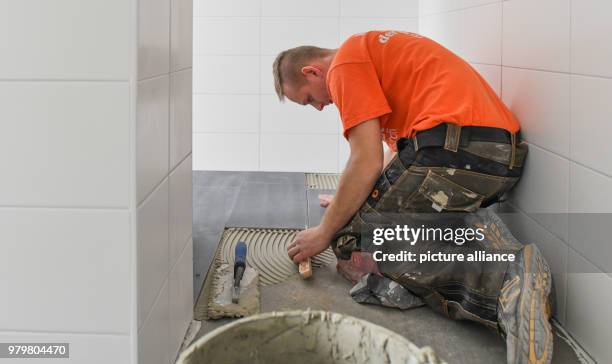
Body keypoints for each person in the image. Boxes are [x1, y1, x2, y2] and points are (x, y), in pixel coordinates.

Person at [275, 30, 554, 364]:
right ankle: (472, 229)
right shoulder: (371, 55)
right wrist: (344, 203)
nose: (320, 107)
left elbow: (365, 161)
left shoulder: (343, 65)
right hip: (490, 158)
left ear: (312, 72)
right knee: (366, 220)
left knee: (351, 240)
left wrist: (325, 231)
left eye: (309, 100)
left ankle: (504, 284)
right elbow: (395, 168)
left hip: (456, 152)